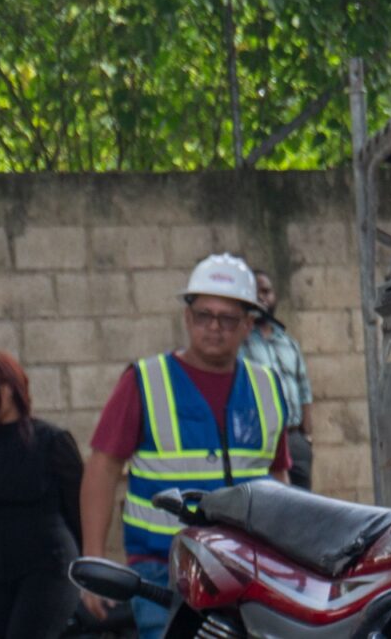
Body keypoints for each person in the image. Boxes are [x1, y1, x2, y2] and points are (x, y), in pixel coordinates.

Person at [78, 254, 289, 639]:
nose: (214, 327)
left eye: (227, 319)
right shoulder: (145, 381)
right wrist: (94, 558)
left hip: (248, 573)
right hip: (164, 571)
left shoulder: (267, 387)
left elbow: (278, 477)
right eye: (204, 315)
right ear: (187, 318)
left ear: (248, 325)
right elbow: (102, 468)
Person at [0, 351, 82, 639]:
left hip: (49, 565)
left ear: (8, 389)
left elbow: (77, 511)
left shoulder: (52, 441)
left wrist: (85, 569)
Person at [244, 269, 314, 490]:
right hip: (264, 442)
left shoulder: (288, 342)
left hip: (295, 439)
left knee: (305, 503)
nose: (261, 297)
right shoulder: (241, 343)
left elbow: (304, 390)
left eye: (266, 291)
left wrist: (307, 436)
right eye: (255, 292)